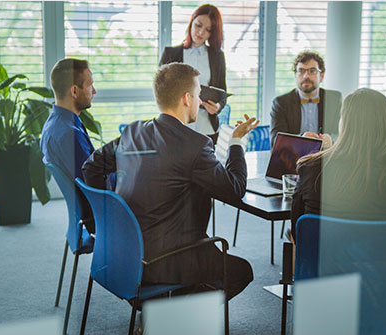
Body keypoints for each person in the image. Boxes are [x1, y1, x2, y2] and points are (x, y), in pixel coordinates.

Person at [82, 62, 257, 300]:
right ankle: (175, 314)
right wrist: (236, 142)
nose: (198, 101)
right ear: (186, 98)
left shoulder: (132, 132)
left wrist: (110, 219)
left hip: (123, 252)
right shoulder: (196, 146)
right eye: (197, 96)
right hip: (169, 259)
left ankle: (162, 306)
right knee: (242, 271)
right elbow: (235, 189)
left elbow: (91, 167)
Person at [290, 88, 386, 242]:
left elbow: (297, 233)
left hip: (324, 265)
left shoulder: (310, 168)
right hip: (380, 265)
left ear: (344, 124)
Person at [40, 58, 97, 233]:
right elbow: (95, 184)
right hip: (100, 216)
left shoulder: (54, 124)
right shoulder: (69, 135)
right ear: (74, 91)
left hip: (85, 214)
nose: (94, 91)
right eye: (89, 86)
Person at [159, 4, 227, 146]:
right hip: (176, 129)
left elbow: (222, 92)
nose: (200, 32)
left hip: (207, 128)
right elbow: (161, 92)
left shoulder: (217, 57)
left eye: (208, 30)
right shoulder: (170, 54)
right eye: (198, 25)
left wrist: (218, 107)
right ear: (192, 22)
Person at [270, 50, 342, 148]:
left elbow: (344, 134)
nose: (306, 76)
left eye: (312, 71)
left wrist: (331, 140)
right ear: (295, 75)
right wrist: (301, 140)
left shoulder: (334, 99)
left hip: (326, 157)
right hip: (294, 158)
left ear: (322, 76)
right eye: (301, 71)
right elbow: (275, 140)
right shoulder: (281, 103)